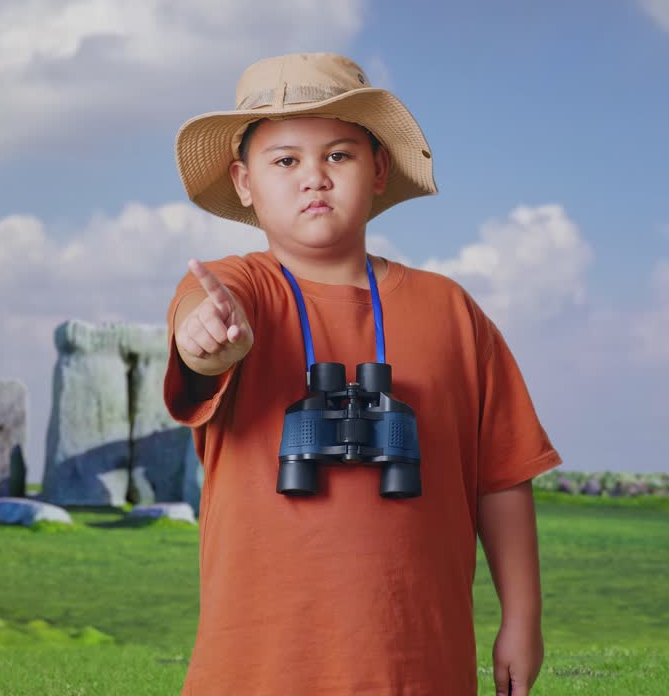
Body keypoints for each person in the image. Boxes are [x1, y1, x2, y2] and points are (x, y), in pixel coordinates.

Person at [163, 52, 562, 695]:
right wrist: (207, 338)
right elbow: (199, 333)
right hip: (257, 670)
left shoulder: (451, 310)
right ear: (244, 182)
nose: (314, 178)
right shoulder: (241, 288)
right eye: (285, 160)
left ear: (379, 169)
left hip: (417, 664)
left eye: (339, 156)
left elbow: (502, 478)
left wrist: (523, 617)